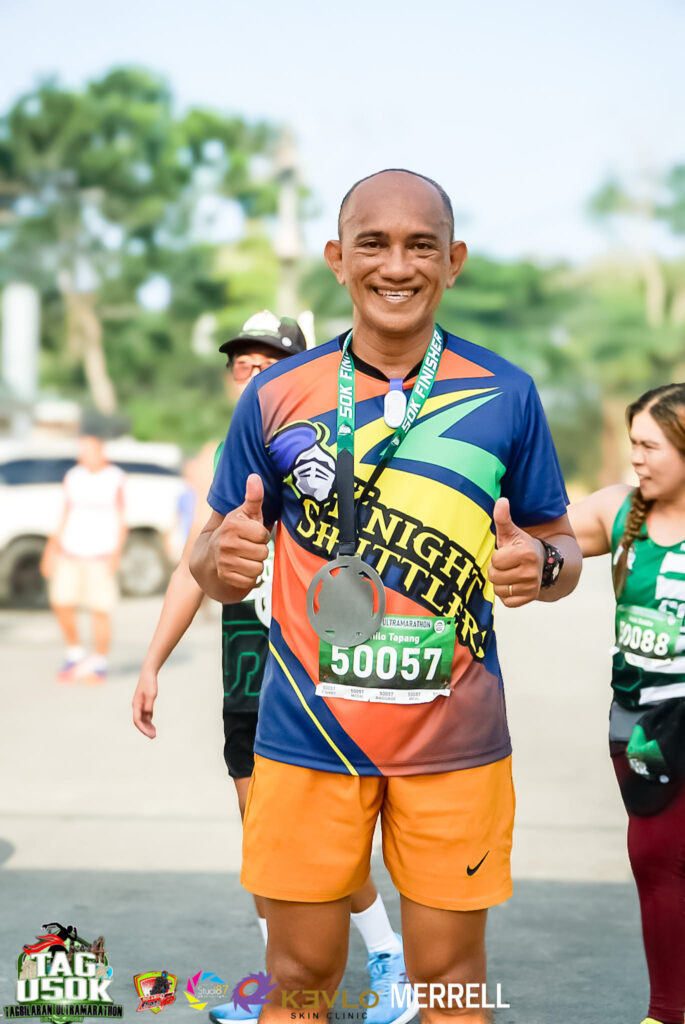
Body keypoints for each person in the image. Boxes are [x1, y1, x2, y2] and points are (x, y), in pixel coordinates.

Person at [191, 169, 582, 1024]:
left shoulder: (506, 393)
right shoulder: (275, 392)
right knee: (297, 977)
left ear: (454, 261)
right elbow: (207, 547)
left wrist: (543, 569)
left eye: (419, 245)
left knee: (452, 985)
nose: (395, 265)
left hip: (456, 740)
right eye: (372, 242)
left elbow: (558, 540)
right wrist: (218, 560)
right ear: (337, 258)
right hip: (305, 733)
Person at [132, 311, 409, 1024]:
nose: (251, 374)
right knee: (262, 832)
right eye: (242, 363)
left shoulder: (323, 445)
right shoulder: (228, 454)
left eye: (269, 362)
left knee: (319, 836)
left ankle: (388, 959)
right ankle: (277, 986)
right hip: (245, 663)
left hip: (313, 664)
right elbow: (195, 566)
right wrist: (152, 663)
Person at [568, 383, 685, 1024]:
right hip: (639, 721)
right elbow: (551, 538)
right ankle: (666, 1013)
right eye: (632, 441)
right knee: (654, 860)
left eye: (650, 444)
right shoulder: (621, 510)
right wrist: (529, 554)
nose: (636, 456)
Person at [41, 433, 126, 685]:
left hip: (100, 554)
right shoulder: (73, 476)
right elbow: (65, 512)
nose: (83, 454)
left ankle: (99, 662)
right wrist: (51, 548)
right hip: (70, 552)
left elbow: (122, 519)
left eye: (87, 449)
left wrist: (116, 553)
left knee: (99, 609)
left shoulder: (115, 478)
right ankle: (74, 653)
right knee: (60, 601)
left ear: (100, 449)